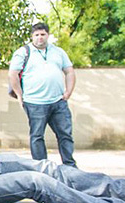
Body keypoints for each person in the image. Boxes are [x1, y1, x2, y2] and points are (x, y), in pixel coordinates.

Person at [8, 22, 77, 166]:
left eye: (43, 34)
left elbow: (69, 71)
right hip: (34, 103)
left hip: (58, 102)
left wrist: (68, 91)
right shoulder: (23, 52)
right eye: (37, 35)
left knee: (65, 135)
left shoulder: (58, 52)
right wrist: (20, 95)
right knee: (37, 136)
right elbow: (13, 74)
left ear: (48, 35)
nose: (40, 38)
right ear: (32, 36)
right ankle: (42, 167)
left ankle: (70, 166)